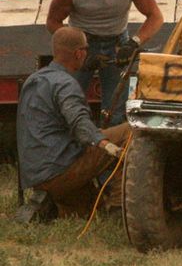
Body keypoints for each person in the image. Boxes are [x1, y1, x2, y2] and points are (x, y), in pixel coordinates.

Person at [17, 27, 130, 218]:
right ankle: (120, 208)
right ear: (79, 53)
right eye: (87, 49)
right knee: (130, 131)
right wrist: (103, 143)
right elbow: (78, 121)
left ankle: (53, 207)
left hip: (37, 177)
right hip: (60, 171)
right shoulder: (65, 84)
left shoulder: (34, 80)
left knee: (93, 211)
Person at [46, 0, 164, 126]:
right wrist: (79, 52)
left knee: (116, 108)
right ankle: (74, 141)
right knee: (70, 101)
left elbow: (156, 16)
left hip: (117, 41)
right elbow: (53, 22)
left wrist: (133, 43)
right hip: (81, 43)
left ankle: (109, 143)